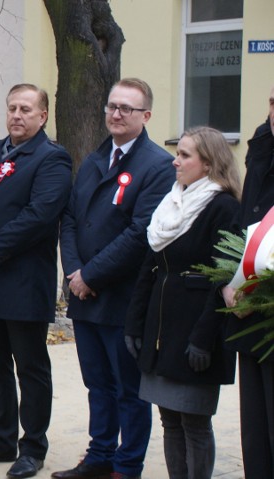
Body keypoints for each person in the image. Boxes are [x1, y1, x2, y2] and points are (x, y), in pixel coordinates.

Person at [56, 78, 174, 479]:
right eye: (112, 106)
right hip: (84, 294)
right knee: (97, 385)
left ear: (146, 116)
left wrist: (91, 274)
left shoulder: (156, 166)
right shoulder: (94, 158)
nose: (116, 114)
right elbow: (70, 218)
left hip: (121, 297)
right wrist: (74, 271)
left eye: (126, 108)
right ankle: (100, 455)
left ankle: (126, 466)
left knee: (128, 389)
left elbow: (140, 233)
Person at [0, 83, 72, 479]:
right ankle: (0, 437)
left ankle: (33, 446)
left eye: (26, 109)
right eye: (11, 108)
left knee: (30, 367)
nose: (17, 115)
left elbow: (39, 216)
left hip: (22, 281)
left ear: (43, 116)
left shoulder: (52, 159)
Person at [124, 126, 240, 479]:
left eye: (185, 155)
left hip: (196, 330)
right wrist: (135, 322)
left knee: (194, 421)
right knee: (169, 419)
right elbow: (151, 266)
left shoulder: (223, 207)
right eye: (178, 153)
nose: (176, 161)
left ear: (208, 163)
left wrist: (204, 338)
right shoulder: (171, 202)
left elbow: (223, 277)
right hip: (162, 328)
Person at [220, 85, 274, 479]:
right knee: (256, 421)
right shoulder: (262, 147)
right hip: (251, 303)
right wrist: (230, 279)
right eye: (273, 101)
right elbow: (244, 225)